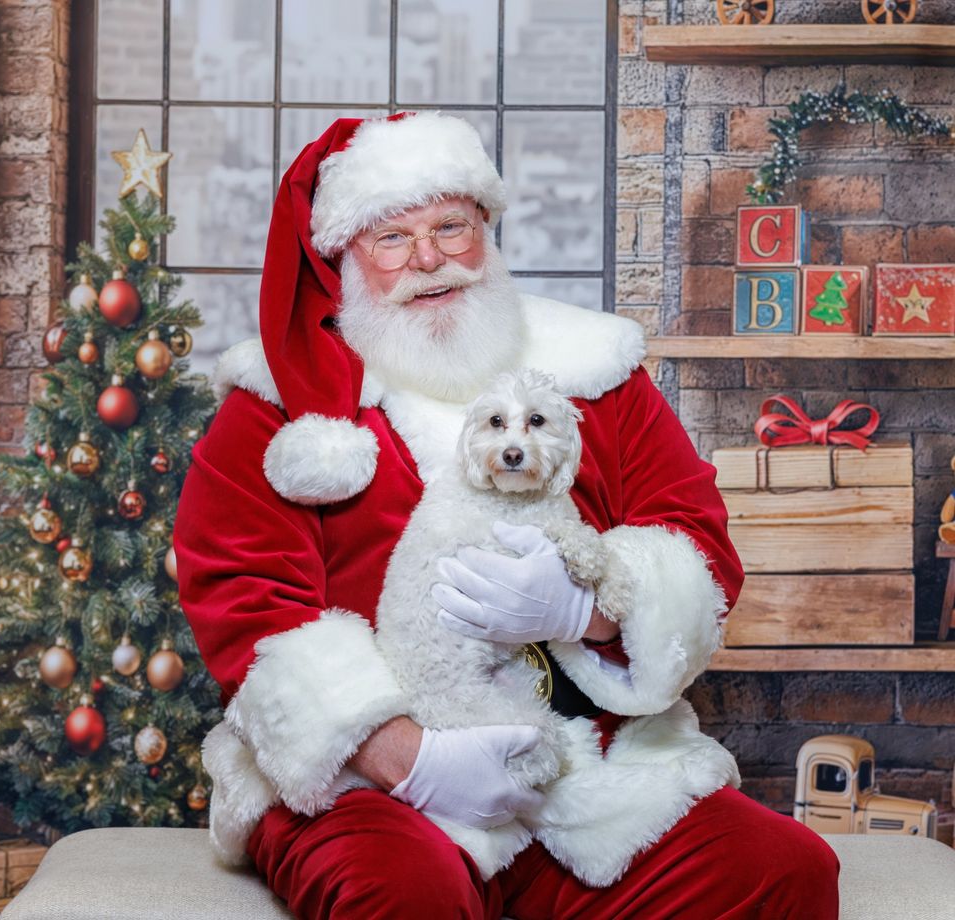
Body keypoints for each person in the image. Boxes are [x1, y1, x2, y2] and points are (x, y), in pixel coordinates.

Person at [174, 112, 839, 919]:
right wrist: (408, 759)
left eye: (449, 226)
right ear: (345, 258)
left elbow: (692, 535)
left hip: (580, 765)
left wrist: (590, 610)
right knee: (402, 896)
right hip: (372, 782)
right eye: (391, 238)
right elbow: (246, 604)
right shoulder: (277, 409)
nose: (427, 259)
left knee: (779, 869)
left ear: (485, 229)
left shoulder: (594, 372)